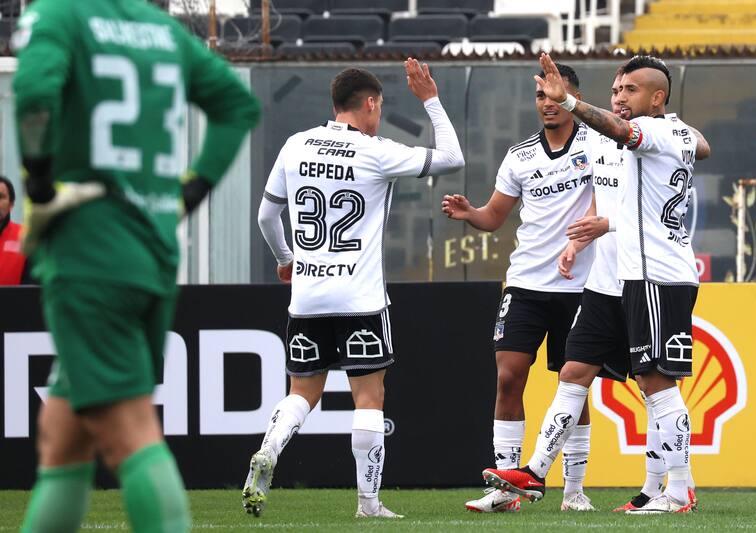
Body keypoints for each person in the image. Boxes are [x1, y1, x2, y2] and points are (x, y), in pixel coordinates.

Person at [13, 0, 261, 530]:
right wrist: (189, 192)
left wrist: (37, 181)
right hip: (149, 252)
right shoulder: (159, 30)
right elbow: (237, 105)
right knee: (62, 436)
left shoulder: (61, 15)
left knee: (130, 431)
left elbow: (34, 95)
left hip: (88, 250)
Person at [485, 63, 710, 514]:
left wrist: (567, 101)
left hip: (656, 275)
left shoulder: (655, 131)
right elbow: (697, 149)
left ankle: (679, 489)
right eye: (615, 89)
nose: (620, 96)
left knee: (657, 385)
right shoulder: (637, 136)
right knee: (573, 373)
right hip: (611, 278)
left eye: (631, 89)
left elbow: (672, 141)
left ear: (658, 98)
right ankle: (534, 473)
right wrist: (582, 235)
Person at [245, 61, 464, 519]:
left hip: (306, 297)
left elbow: (267, 217)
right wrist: (431, 100)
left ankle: (269, 448)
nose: (378, 116)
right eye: (378, 108)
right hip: (360, 299)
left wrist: (287, 259)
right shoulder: (375, 150)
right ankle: (368, 502)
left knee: (302, 392)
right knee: (369, 397)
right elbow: (452, 158)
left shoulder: (295, 145)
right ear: (369, 104)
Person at [442, 63, 598, 513]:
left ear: (573, 97)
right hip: (526, 283)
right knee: (509, 377)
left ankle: (574, 490)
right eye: (540, 96)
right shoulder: (520, 155)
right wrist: (471, 212)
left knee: (574, 388)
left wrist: (579, 240)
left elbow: (609, 199)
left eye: (556, 94)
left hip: (582, 286)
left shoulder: (598, 143)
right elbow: (494, 218)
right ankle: (505, 487)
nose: (547, 103)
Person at [0, 176, 31, 285]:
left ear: (11, 204)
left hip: (14, 301)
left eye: (1, 197)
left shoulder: (25, 236)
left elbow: (33, 288)